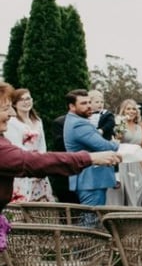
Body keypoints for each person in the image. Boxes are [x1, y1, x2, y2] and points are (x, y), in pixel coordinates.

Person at [0, 82, 121, 221]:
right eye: (6, 108)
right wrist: (90, 158)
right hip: (86, 180)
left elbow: (39, 154)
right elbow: (29, 160)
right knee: (89, 221)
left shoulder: (33, 123)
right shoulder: (78, 123)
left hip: (37, 175)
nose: (12, 113)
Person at [63, 89, 121, 206]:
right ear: (72, 106)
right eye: (83, 103)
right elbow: (103, 146)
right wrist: (116, 143)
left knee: (92, 215)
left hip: (90, 179)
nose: (89, 106)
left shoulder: (76, 120)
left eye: (89, 102)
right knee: (91, 216)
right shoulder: (79, 124)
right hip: (90, 180)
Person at [5, 88, 54, 202]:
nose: (26, 102)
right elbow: (16, 146)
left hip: (39, 167)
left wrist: (42, 164)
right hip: (23, 166)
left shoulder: (37, 120)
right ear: (14, 104)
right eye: (21, 100)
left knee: (42, 203)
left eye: (28, 99)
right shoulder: (12, 122)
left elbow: (42, 145)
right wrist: (32, 163)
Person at [116, 99, 142, 207]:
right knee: (126, 193)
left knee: (139, 191)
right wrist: (121, 124)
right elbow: (117, 141)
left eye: (133, 109)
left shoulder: (139, 127)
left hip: (137, 163)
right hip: (124, 163)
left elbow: (139, 148)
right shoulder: (120, 124)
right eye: (128, 109)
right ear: (123, 111)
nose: (131, 111)